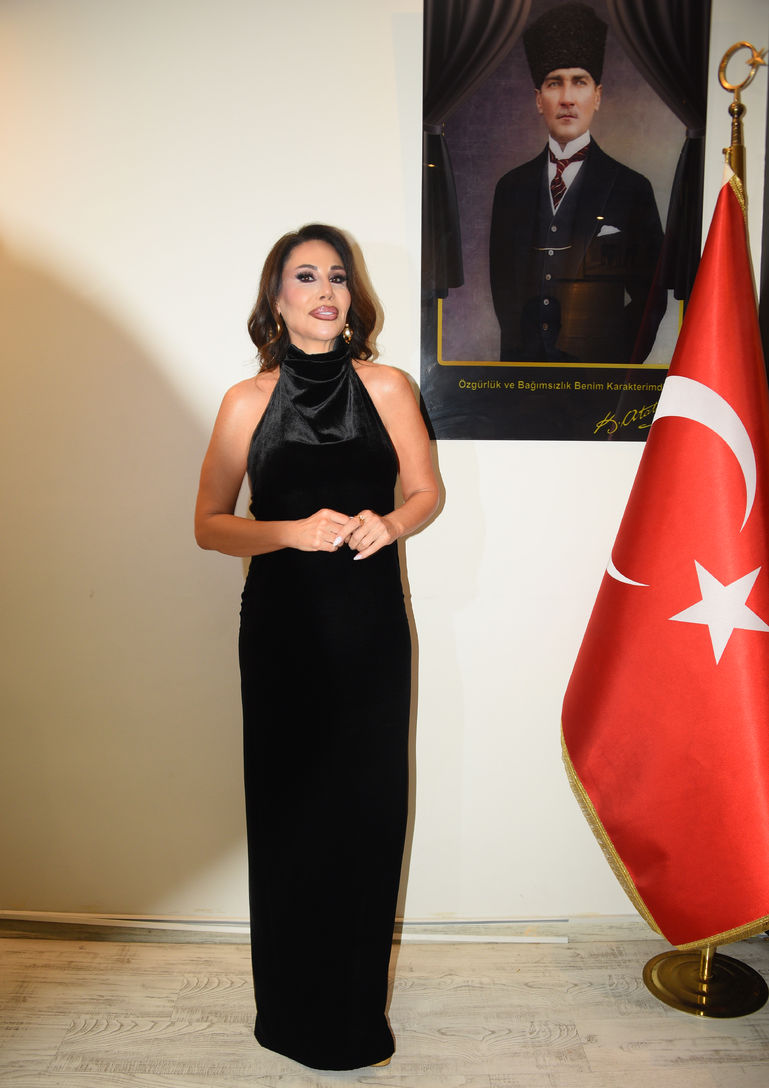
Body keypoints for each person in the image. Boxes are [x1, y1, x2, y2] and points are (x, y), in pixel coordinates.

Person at [194, 223, 439, 1071]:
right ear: (276, 298)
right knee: (289, 815)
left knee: (368, 814)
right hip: (281, 634)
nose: (326, 290)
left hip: (369, 629)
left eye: (337, 275)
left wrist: (392, 523)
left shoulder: (389, 386)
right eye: (305, 276)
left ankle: (353, 1020)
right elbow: (209, 525)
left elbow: (425, 490)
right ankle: (290, 1016)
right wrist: (290, 531)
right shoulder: (245, 401)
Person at [489, 1, 664, 364]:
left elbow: (652, 297)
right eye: (555, 83)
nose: (567, 98)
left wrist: (615, 365)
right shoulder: (510, 188)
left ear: (597, 96)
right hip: (525, 377)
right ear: (539, 100)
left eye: (579, 82)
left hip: (598, 376)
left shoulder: (632, 188)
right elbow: (503, 291)